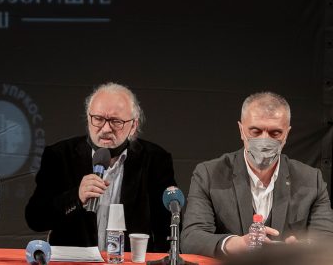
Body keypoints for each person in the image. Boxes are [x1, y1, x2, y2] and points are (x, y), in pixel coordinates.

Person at [25, 82, 176, 252]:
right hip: (74, 261)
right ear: (89, 118)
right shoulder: (59, 156)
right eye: (98, 119)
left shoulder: (155, 159)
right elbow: (35, 219)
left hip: (128, 261)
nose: (105, 128)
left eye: (116, 121)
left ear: (133, 126)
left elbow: (167, 226)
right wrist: (76, 197)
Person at [181, 92, 333, 257]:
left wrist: (303, 249)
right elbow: (191, 238)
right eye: (256, 131)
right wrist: (236, 244)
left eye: (275, 133)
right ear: (241, 130)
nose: (264, 140)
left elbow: (327, 241)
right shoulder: (209, 175)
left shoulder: (311, 180)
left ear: (287, 134)